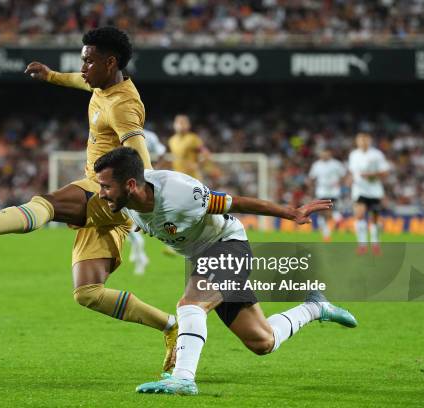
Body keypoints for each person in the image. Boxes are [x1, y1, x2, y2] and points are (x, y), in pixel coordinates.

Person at [0, 27, 178, 371]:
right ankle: (171, 325)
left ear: (110, 63)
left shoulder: (124, 106)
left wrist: (145, 203)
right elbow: (79, 82)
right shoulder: (101, 84)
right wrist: (51, 75)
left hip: (111, 193)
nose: (82, 68)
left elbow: (141, 158)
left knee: (48, 203)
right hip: (109, 199)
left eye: (88, 61)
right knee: (88, 294)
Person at [93, 147, 358, 395]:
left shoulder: (181, 194)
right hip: (203, 259)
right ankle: (315, 307)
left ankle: (183, 378)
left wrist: (292, 213)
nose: (102, 193)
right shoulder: (126, 198)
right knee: (262, 341)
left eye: (106, 187)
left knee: (191, 304)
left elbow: (238, 203)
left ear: (129, 185)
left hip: (228, 245)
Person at [127, 128, 167, 275]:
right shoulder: (150, 135)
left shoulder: (144, 135)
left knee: (127, 219)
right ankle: (138, 251)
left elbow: (162, 153)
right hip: (143, 180)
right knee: (128, 221)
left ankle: (139, 250)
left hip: (134, 182)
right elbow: (162, 152)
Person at [348, 133, 390, 255]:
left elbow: (385, 172)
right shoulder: (353, 155)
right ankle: (362, 245)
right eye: (360, 140)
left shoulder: (377, 154)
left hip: (374, 190)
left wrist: (371, 175)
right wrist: (350, 179)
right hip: (359, 189)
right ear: (357, 141)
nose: (363, 142)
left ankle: (375, 245)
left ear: (370, 141)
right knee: (359, 215)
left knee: (375, 219)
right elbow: (353, 171)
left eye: (365, 140)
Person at [308, 148, 347, 241]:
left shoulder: (336, 164)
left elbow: (344, 175)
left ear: (330, 154)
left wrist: (340, 183)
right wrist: (311, 189)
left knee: (329, 210)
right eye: (323, 154)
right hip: (321, 191)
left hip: (334, 192)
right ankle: (327, 234)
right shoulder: (316, 165)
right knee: (322, 213)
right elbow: (311, 178)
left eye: (326, 153)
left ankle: (337, 218)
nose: (324, 155)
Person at [168, 114, 208, 180]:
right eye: (178, 122)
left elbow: (206, 154)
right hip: (178, 176)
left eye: (183, 122)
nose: (180, 125)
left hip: (192, 177)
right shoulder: (172, 140)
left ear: (188, 125)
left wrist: (198, 165)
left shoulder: (193, 138)